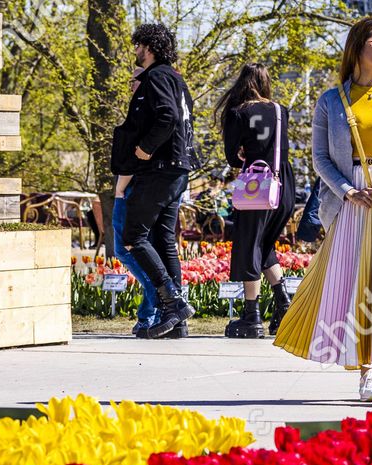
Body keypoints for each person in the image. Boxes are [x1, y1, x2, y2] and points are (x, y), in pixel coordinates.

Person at [273, 17, 372, 405]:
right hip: (353, 199)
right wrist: (346, 191)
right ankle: (363, 370)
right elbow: (321, 158)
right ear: (359, 46)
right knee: (357, 285)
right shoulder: (331, 100)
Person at [112, 22, 198, 339]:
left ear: (148, 47)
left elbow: (168, 117)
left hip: (162, 167)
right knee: (163, 240)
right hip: (179, 168)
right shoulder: (176, 78)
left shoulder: (157, 76)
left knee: (134, 236)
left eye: (138, 46)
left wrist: (144, 149)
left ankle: (172, 302)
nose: (135, 51)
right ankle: (177, 322)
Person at [216, 63, 296, 338]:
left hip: (256, 186)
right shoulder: (279, 111)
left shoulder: (238, 113)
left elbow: (231, 156)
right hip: (283, 184)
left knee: (249, 245)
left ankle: (252, 316)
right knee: (263, 245)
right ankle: (284, 303)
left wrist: (241, 154)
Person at [109, 65, 163, 337]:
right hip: (134, 189)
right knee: (133, 249)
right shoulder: (143, 114)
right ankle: (149, 312)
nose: (130, 86)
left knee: (126, 249)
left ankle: (156, 299)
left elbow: (134, 156)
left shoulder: (144, 116)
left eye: (134, 82)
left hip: (131, 191)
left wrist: (120, 189)